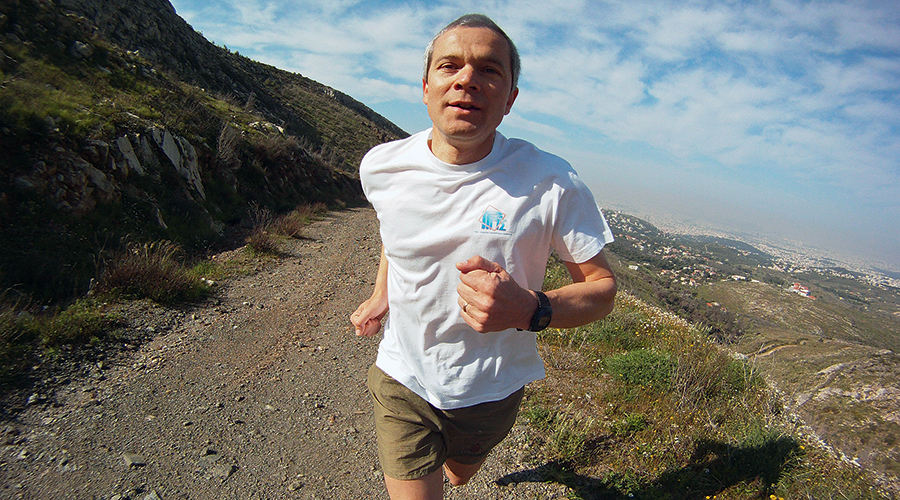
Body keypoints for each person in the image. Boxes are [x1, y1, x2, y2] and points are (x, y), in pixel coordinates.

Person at [350, 13, 617, 500]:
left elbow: (602, 290)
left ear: (510, 97)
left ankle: (459, 464)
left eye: (489, 69)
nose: (467, 79)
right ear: (426, 87)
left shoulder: (553, 182)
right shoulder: (382, 166)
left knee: (460, 473)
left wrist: (530, 308)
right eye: (450, 65)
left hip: (491, 390)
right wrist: (380, 292)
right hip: (402, 376)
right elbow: (395, 230)